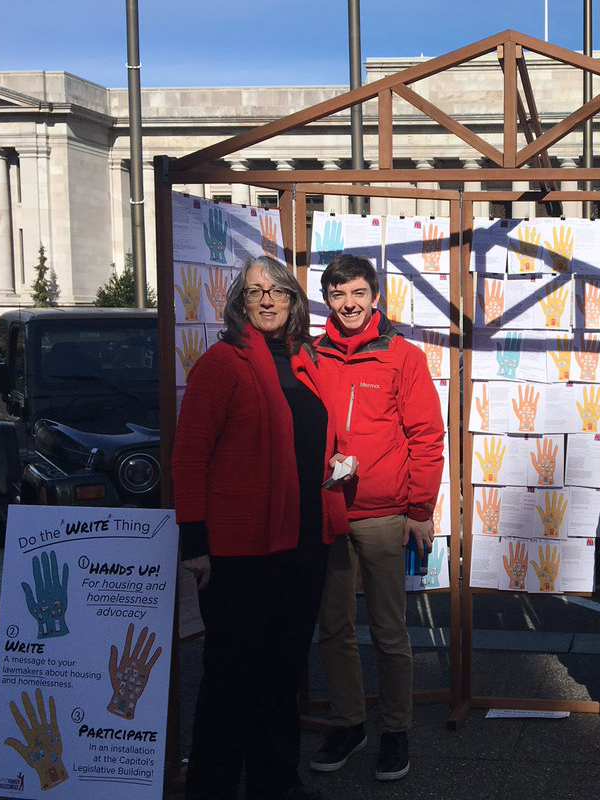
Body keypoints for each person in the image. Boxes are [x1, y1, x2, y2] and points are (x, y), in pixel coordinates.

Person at [173, 255, 348, 800]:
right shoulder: (222, 363)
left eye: (277, 291)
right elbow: (189, 457)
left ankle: (275, 783)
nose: (267, 300)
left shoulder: (305, 361)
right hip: (240, 550)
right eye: (255, 291)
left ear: (294, 301)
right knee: (231, 676)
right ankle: (212, 786)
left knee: (283, 669)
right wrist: (194, 544)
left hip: (303, 543)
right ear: (240, 302)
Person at [309, 254, 445, 781]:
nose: (349, 304)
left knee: (389, 630)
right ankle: (349, 724)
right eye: (338, 294)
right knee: (334, 628)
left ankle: (395, 730)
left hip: (384, 514)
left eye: (358, 293)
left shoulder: (401, 356)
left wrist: (420, 509)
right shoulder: (310, 354)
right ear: (328, 299)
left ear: (375, 298)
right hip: (328, 509)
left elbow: (426, 436)